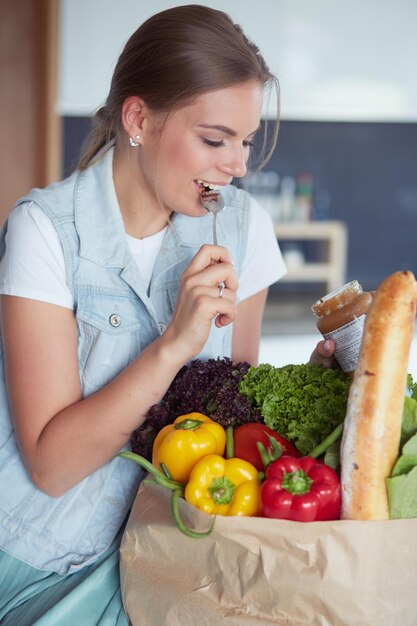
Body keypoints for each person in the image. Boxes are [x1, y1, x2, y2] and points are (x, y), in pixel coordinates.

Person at [0, 4, 333, 624]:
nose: (235, 167)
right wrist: (174, 344)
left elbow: (234, 416)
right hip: (44, 560)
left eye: (244, 142)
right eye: (214, 140)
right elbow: (51, 465)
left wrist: (316, 383)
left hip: (173, 557)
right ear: (138, 118)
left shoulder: (245, 228)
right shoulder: (44, 230)